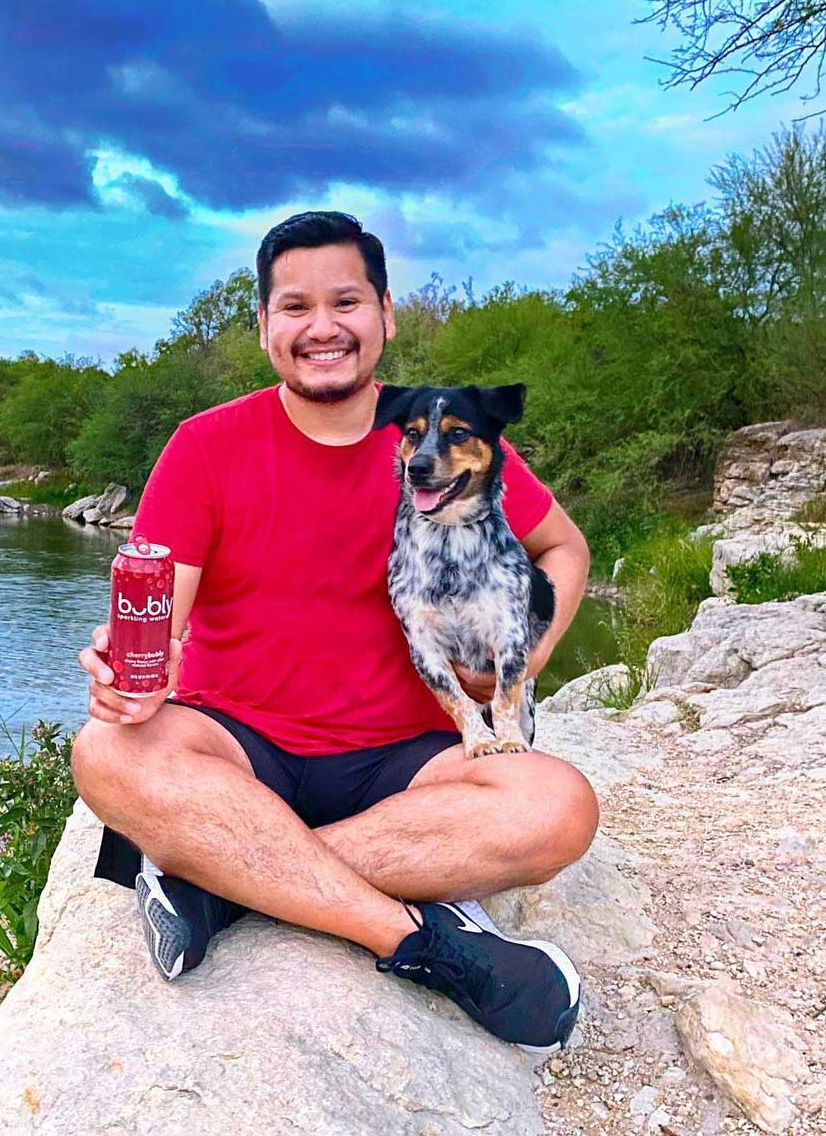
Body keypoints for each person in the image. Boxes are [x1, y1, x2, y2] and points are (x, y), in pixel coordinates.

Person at [74, 210, 599, 1054]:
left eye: (346, 302)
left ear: (386, 314)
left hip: (411, 758)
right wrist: (119, 673)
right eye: (295, 307)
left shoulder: (444, 430)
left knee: (558, 807)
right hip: (241, 745)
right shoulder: (206, 446)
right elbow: (152, 620)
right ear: (264, 327)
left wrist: (522, 666)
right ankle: (414, 940)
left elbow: (561, 546)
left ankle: (225, 882)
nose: (323, 327)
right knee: (105, 752)